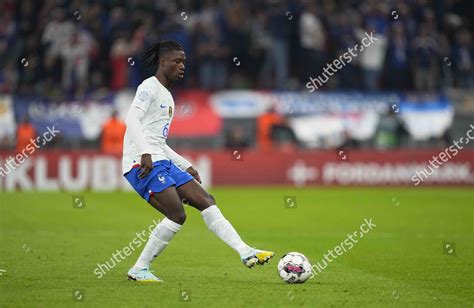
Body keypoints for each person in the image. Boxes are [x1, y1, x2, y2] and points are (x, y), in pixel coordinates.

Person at [122, 41, 274, 282]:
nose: (182, 66)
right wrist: (144, 154)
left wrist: (185, 165)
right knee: (177, 214)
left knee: (206, 200)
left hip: (161, 159)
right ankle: (139, 269)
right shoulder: (148, 87)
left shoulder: (168, 97)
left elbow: (158, 141)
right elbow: (131, 119)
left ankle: (245, 251)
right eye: (177, 61)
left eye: (184, 61)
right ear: (163, 62)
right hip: (140, 163)